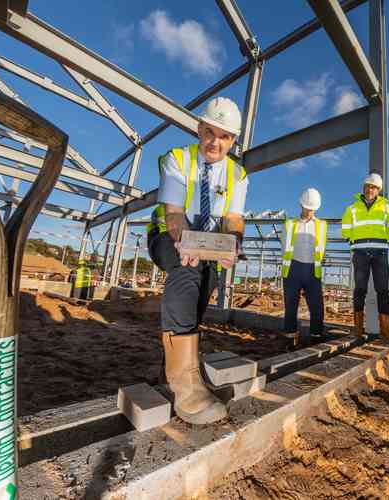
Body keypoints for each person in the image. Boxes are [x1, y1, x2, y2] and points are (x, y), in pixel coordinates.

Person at [146, 96, 247, 425]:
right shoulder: (178, 159)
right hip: (168, 236)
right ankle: (185, 387)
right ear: (199, 129)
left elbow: (233, 219)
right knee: (187, 267)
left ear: (233, 141)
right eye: (209, 132)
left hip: (209, 245)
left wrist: (233, 243)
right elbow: (174, 215)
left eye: (224, 136)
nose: (215, 142)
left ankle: (171, 367)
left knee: (205, 284)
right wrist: (184, 241)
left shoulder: (238, 175)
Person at [341, 173, 389, 341]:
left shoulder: (386, 207)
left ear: (378, 190)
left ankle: (385, 330)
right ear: (363, 188)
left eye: (373, 187)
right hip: (360, 252)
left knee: (383, 290)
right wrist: (352, 241)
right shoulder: (352, 208)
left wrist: (385, 239)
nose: (370, 189)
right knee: (359, 289)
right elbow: (345, 227)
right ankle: (358, 329)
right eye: (367, 186)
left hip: (380, 252)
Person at [281, 188, 327, 347]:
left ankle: (316, 338)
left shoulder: (322, 225)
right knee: (291, 306)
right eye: (307, 208)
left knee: (317, 307)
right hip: (293, 268)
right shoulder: (289, 224)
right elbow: (284, 247)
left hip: (313, 270)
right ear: (301, 205)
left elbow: (321, 247)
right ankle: (290, 339)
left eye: (312, 209)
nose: (309, 211)